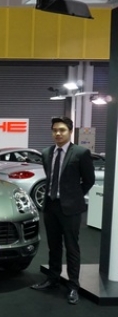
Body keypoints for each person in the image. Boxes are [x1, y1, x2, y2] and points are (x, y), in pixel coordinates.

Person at [31, 116, 95, 305]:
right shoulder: (46, 153)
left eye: (62, 130)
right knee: (54, 246)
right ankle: (53, 279)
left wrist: (74, 196)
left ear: (70, 131)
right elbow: (50, 177)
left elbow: (89, 180)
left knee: (72, 247)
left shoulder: (81, 153)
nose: (58, 133)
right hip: (50, 206)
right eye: (55, 130)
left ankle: (73, 286)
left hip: (71, 208)